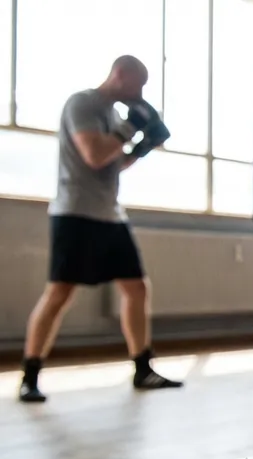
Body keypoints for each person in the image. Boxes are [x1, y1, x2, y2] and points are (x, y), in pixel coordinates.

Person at [19, 56, 182, 403]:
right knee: (60, 293)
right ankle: (29, 375)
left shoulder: (112, 115)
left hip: (110, 214)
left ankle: (143, 369)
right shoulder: (83, 103)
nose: (140, 94)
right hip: (75, 212)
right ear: (120, 75)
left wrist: (142, 148)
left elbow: (113, 164)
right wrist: (130, 127)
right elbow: (93, 154)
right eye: (138, 85)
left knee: (137, 288)